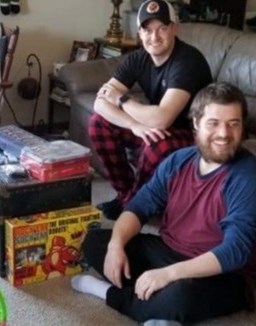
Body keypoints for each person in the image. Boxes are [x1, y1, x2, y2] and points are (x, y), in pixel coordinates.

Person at [72, 82, 256, 326]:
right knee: (96, 240)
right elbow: (138, 207)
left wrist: (169, 274)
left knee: (182, 296)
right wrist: (116, 246)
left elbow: (234, 252)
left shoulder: (252, 178)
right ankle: (159, 306)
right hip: (169, 251)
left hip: (222, 273)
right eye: (214, 123)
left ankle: (108, 293)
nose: (224, 133)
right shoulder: (178, 161)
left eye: (233, 124)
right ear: (196, 124)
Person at [90, 0, 212, 220]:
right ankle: (126, 196)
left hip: (196, 134)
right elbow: (100, 103)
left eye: (162, 28)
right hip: (160, 126)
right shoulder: (138, 58)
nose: (154, 37)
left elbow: (163, 118)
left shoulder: (187, 61)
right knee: (98, 123)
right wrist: (134, 125)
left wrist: (122, 100)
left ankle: (135, 207)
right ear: (139, 32)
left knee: (156, 143)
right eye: (147, 30)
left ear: (174, 28)